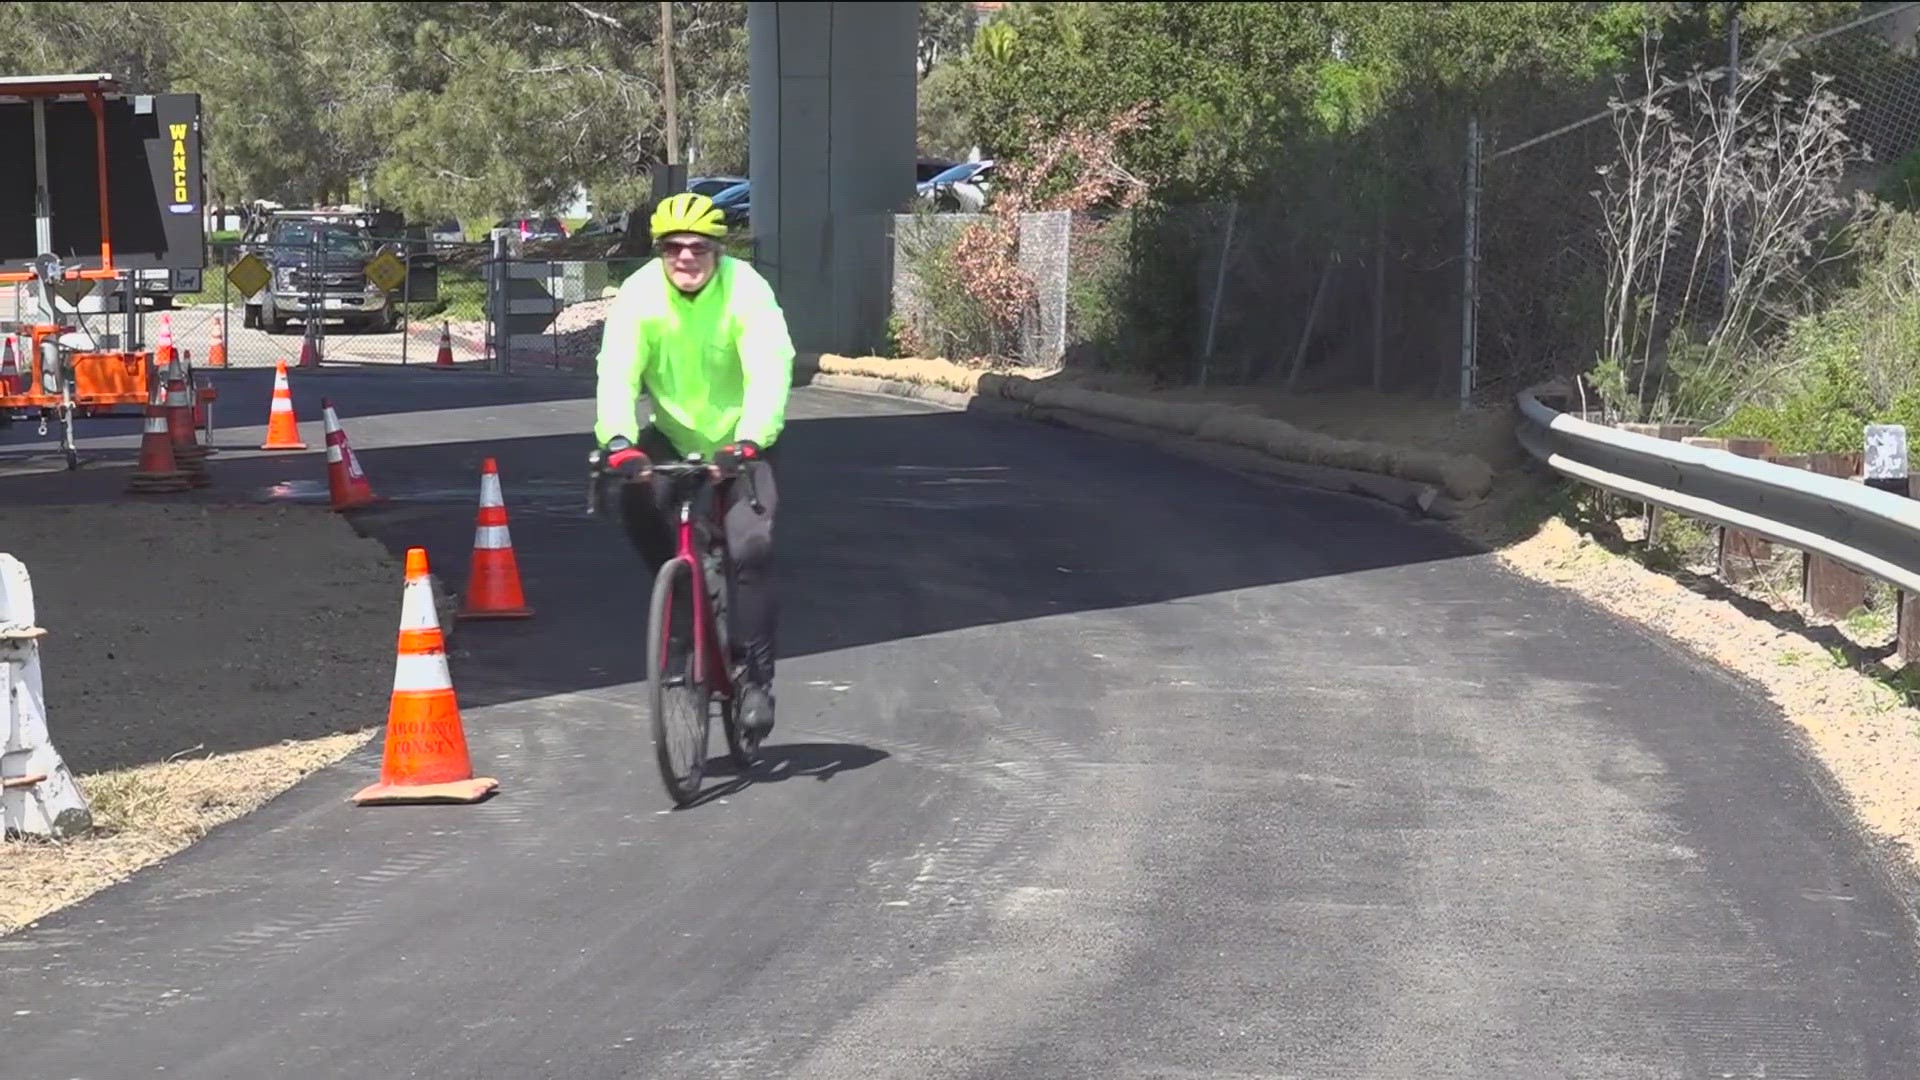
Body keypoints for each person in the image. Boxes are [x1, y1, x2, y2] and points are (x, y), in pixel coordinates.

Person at [593, 191, 796, 739]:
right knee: (637, 503)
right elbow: (616, 371)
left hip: (741, 440)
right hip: (673, 434)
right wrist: (617, 439)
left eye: (698, 248)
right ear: (659, 252)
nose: (685, 257)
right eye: (672, 248)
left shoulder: (747, 290)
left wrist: (750, 441)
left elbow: (770, 368)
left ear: (717, 251)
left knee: (751, 549)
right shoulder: (639, 295)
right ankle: (684, 594)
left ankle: (755, 677)